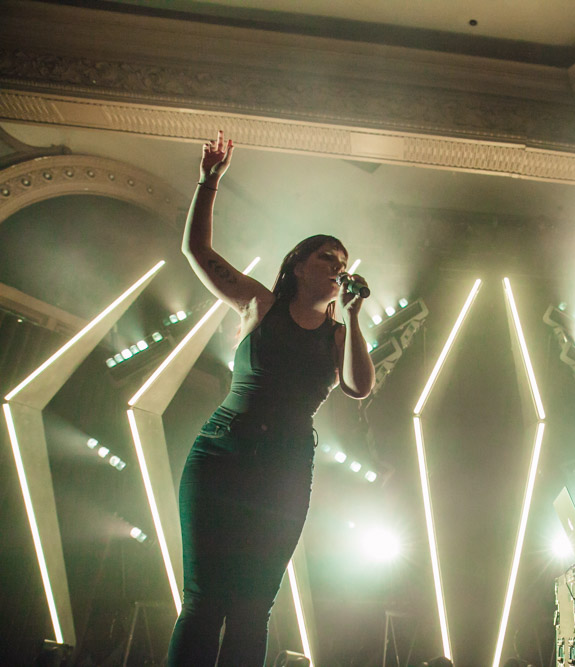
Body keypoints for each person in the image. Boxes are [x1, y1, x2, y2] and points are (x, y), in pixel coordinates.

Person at [166, 130, 375, 666]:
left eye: (343, 261)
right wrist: (208, 184)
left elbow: (358, 386)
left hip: (283, 465)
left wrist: (353, 316)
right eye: (327, 257)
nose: (337, 266)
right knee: (203, 601)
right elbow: (198, 251)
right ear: (300, 265)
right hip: (221, 452)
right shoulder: (260, 305)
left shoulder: (337, 334)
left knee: (253, 604)